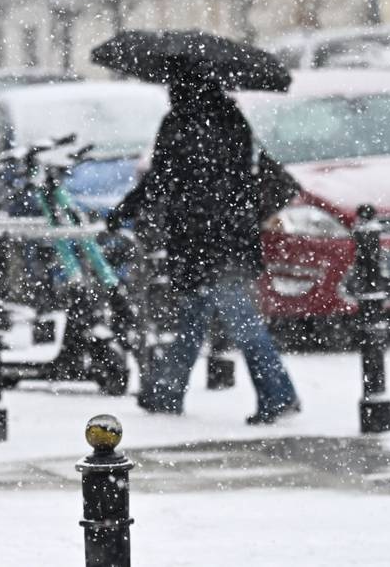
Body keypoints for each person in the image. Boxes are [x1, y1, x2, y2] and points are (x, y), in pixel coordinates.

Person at [108, 75, 300, 425]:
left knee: (232, 320)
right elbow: (239, 175)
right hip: (233, 235)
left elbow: (160, 178)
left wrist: (126, 210)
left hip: (198, 237)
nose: (169, 89)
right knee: (196, 317)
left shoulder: (180, 122)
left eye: (173, 82)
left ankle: (278, 393)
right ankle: (166, 392)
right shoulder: (231, 117)